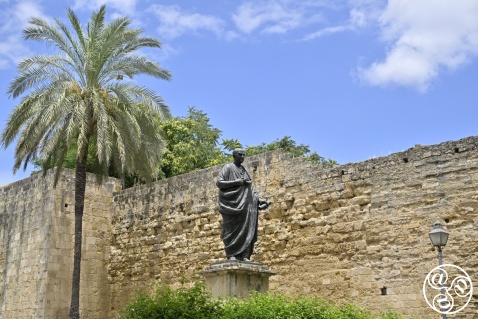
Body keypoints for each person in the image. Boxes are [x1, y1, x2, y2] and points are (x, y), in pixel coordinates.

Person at [216, 148, 271, 261]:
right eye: (240, 155)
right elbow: (219, 183)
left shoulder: (244, 170)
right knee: (231, 230)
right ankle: (232, 255)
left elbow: (250, 189)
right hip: (231, 205)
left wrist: (260, 200)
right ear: (234, 156)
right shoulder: (228, 168)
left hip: (245, 206)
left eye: (243, 155)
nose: (242, 157)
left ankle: (244, 256)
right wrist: (236, 182)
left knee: (247, 229)